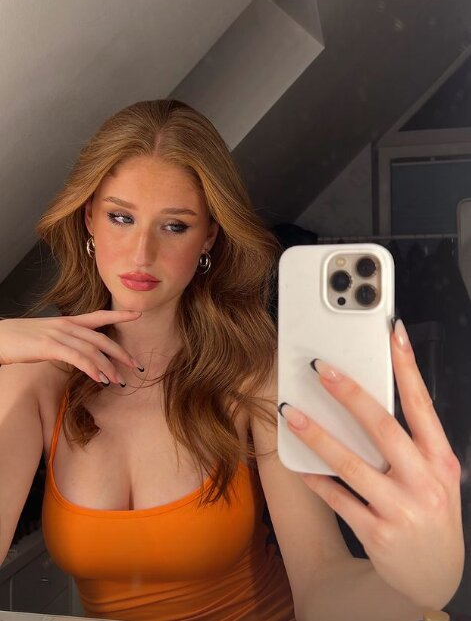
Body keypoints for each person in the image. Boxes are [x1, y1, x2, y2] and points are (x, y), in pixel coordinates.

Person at [0, 99, 464, 621]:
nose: (141, 254)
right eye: (121, 217)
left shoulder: (253, 374)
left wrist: (425, 583)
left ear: (209, 237)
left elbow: (321, 581)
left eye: (175, 226)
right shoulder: (39, 380)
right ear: (89, 217)